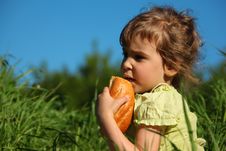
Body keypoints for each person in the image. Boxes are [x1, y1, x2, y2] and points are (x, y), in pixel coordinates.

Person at [96, 6, 206, 151]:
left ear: (171, 66)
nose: (126, 64)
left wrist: (106, 118)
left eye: (139, 57)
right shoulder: (157, 99)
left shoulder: (158, 100)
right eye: (125, 54)